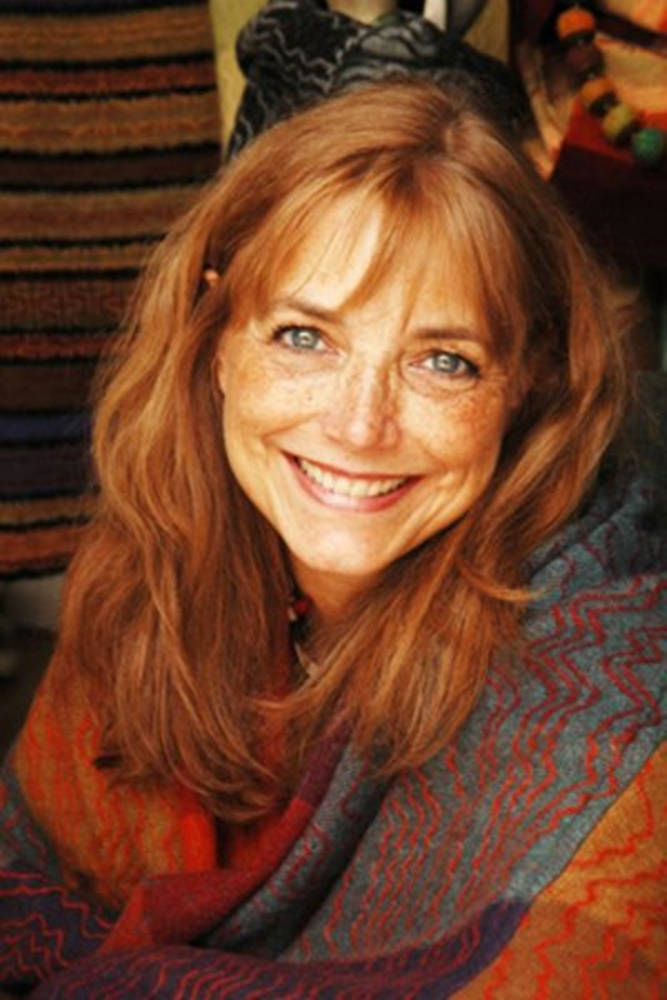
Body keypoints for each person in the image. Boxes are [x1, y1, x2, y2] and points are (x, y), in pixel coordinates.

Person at [0, 79, 664, 998]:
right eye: (304, 337)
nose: (358, 426)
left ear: (529, 380)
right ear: (215, 335)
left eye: (443, 361)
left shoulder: (611, 691)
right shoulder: (150, 570)